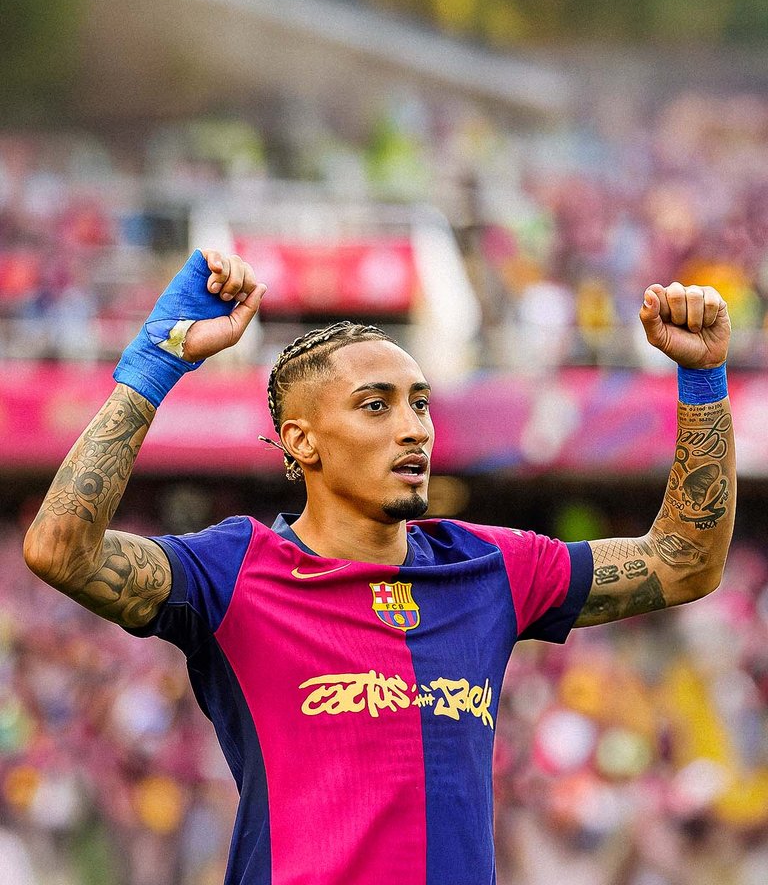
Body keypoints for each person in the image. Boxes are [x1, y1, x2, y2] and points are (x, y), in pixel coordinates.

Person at [23, 249, 736, 885]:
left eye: (419, 403)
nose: (414, 427)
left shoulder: (488, 566)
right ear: (301, 440)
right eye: (376, 405)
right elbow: (60, 549)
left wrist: (703, 382)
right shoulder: (234, 572)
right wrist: (154, 365)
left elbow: (683, 564)